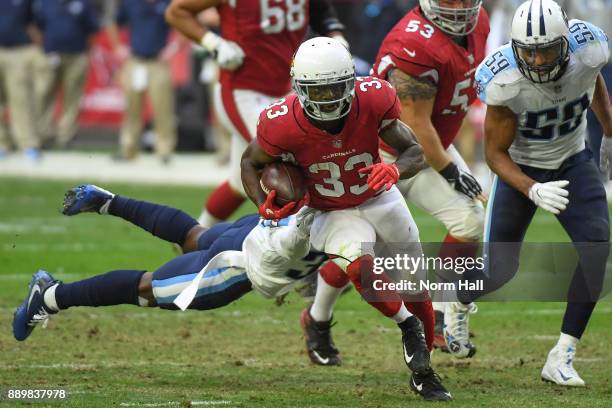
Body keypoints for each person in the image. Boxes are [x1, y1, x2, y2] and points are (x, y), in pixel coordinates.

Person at [241, 37, 451, 401]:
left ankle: (423, 370)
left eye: (334, 89)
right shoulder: (280, 123)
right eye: (317, 92)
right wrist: (263, 203)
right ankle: (408, 327)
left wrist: (395, 171)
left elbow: (414, 150)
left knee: (415, 286)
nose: (327, 100)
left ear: (351, 82)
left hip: (378, 196)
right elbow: (250, 162)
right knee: (359, 264)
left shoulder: (373, 98)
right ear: (300, 88)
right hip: (327, 209)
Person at [316, 0, 491, 358]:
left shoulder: (480, 22)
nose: (457, 9)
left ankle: (442, 315)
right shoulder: (414, 46)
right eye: (448, 1)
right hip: (386, 152)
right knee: (361, 247)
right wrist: (451, 170)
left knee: (470, 221)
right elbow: (413, 124)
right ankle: (317, 318)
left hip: (431, 144)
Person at [469, 0, 611, 386]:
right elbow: (494, 154)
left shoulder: (590, 49)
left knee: (596, 250)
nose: (536, 58)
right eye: (528, 50)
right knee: (499, 271)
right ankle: (455, 298)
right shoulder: (503, 80)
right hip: (521, 167)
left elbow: (591, 78)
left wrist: (609, 131)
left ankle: (561, 355)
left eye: (546, 48)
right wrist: (532, 189)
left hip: (572, 158)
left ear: (565, 43)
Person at [13, 183, 328, 342]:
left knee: (197, 236)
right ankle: (51, 295)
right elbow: (358, 269)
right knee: (151, 290)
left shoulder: (338, 143)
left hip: (254, 227)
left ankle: (108, 201)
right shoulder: (367, 207)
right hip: (246, 258)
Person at [165, 0, 347, 227]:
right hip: (243, 90)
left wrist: (335, 34)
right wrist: (214, 43)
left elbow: (320, 10)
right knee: (287, 166)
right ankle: (292, 246)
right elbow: (177, 11)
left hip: (286, 89)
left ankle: (194, 235)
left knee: (238, 183)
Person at [108, 0, 179, 163]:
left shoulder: (167, 4)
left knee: (163, 108)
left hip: (158, 63)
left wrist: (173, 48)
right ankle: (128, 149)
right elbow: (113, 23)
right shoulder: (131, 3)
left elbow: (183, 24)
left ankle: (164, 151)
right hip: (135, 61)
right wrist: (117, 46)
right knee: (131, 107)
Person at [31, 0, 100, 148]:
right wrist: (42, 47)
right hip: (49, 55)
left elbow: (93, 30)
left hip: (76, 56)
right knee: (44, 93)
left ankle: (65, 135)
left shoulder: (84, 3)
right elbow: (36, 26)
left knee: (72, 96)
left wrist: (86, 52)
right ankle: (44, 133)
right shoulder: (45, 3)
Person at [0, 0, 41, 160]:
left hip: (18, 51)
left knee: (21, 100)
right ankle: (2, 144)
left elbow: (34, 22)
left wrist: (37, 47)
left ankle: (28, 144)